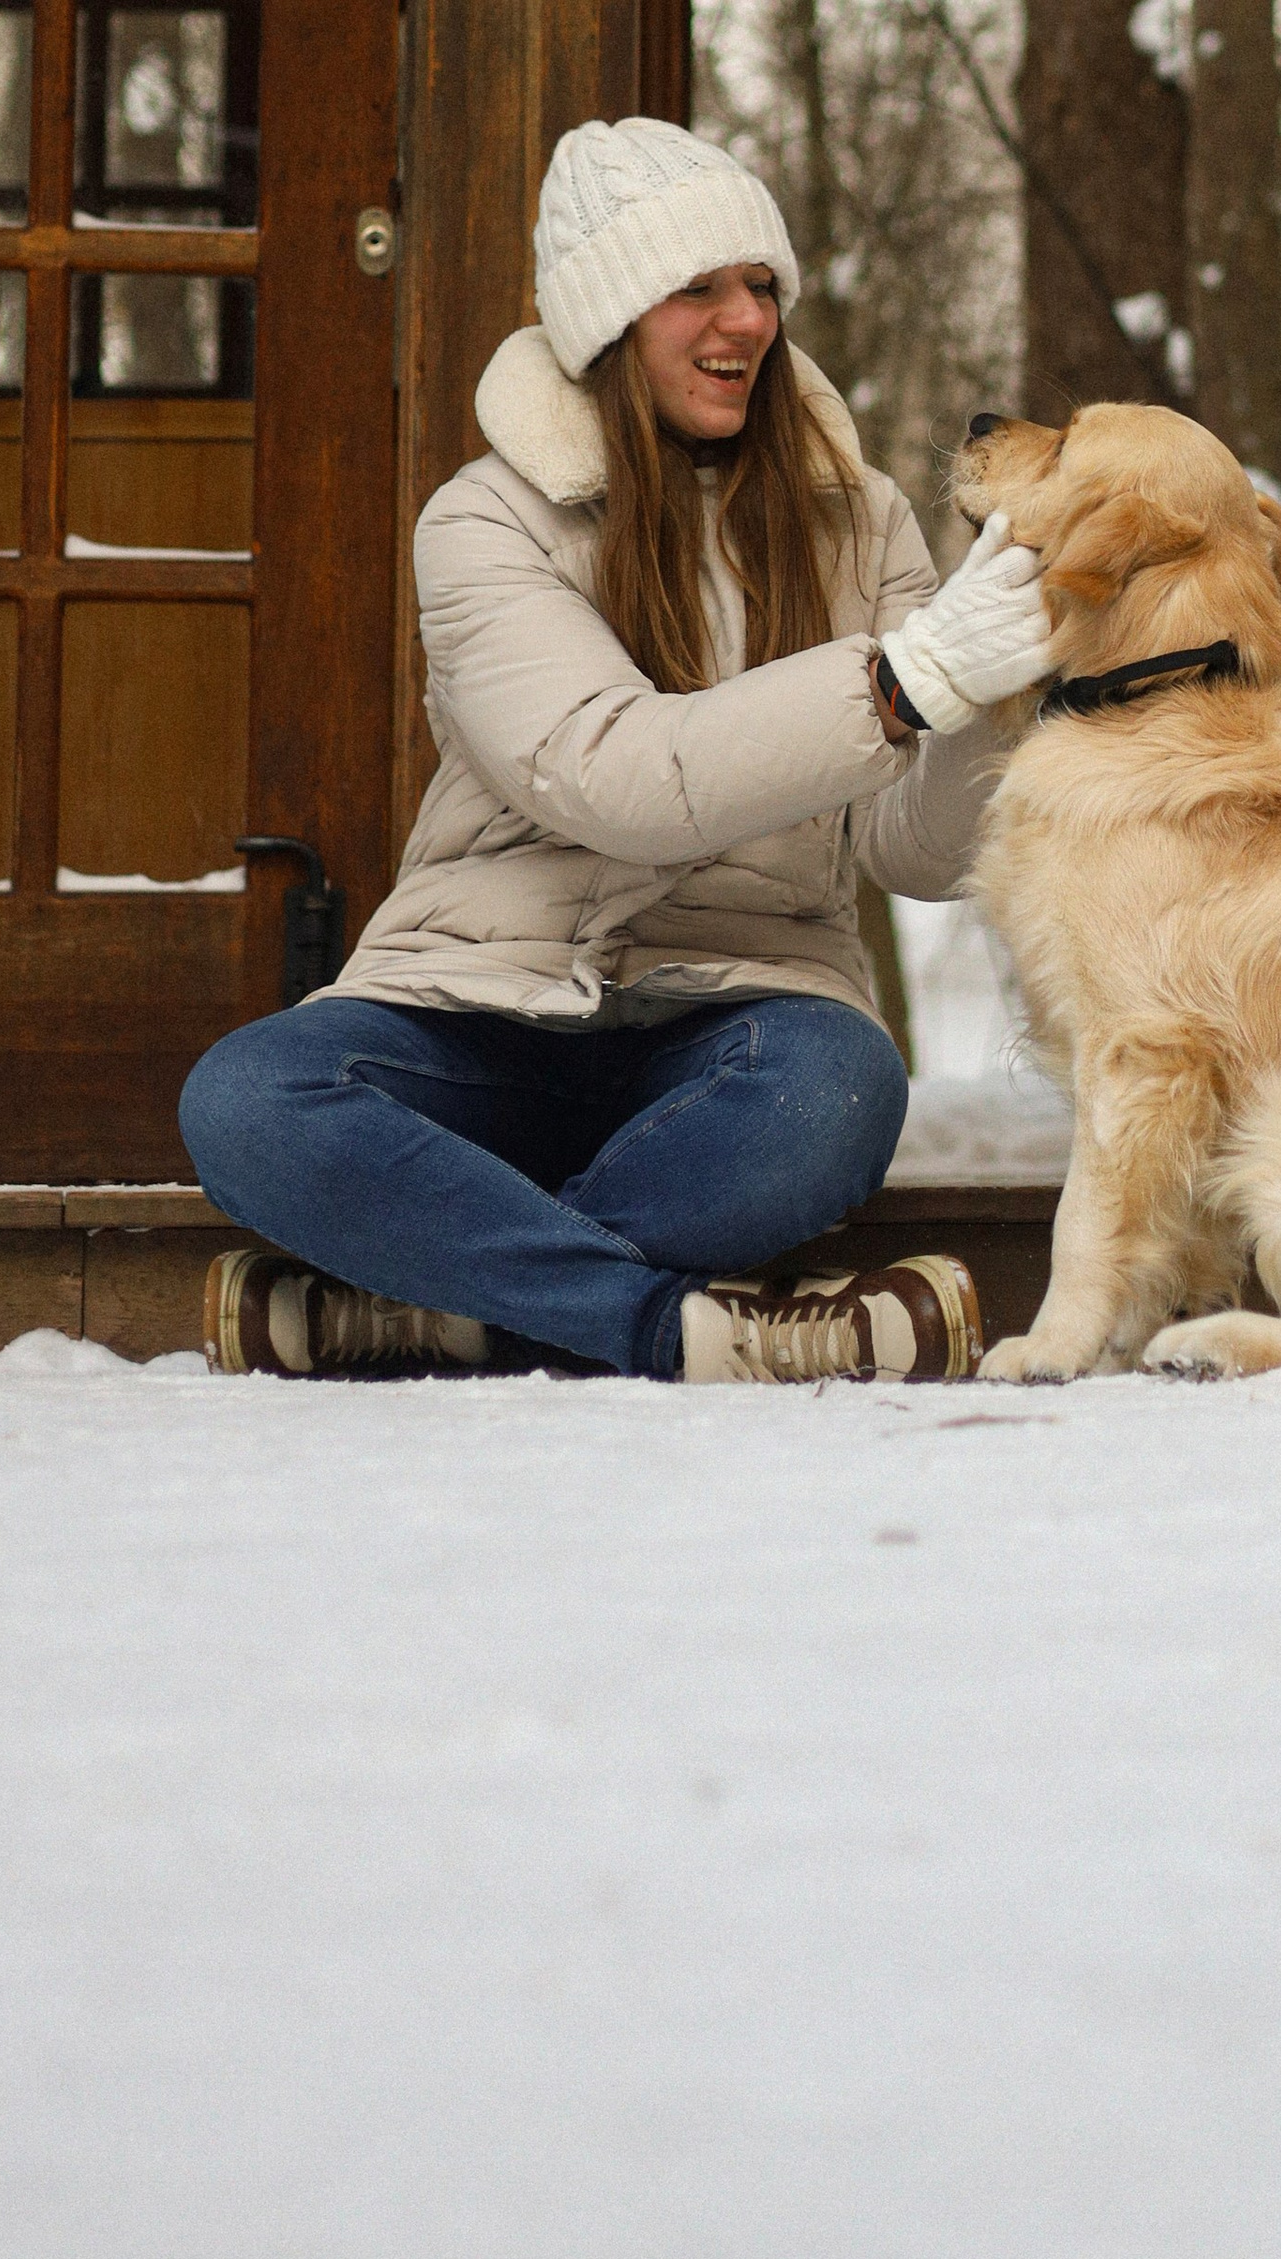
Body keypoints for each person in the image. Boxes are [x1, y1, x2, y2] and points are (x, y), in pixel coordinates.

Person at [181, 117, 1056, 1382]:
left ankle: (443, 1299)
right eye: (694, 287)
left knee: (839, 1097)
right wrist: (901, 686)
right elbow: (616, 779)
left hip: (744, 1020)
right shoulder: (483, 519)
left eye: (760, 285)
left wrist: (990, 698)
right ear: (604, 323)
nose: (745, 319)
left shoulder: (857, 520)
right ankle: (662, 1326)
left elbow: (912, 853)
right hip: (481, 1010)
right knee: (249, 1103)